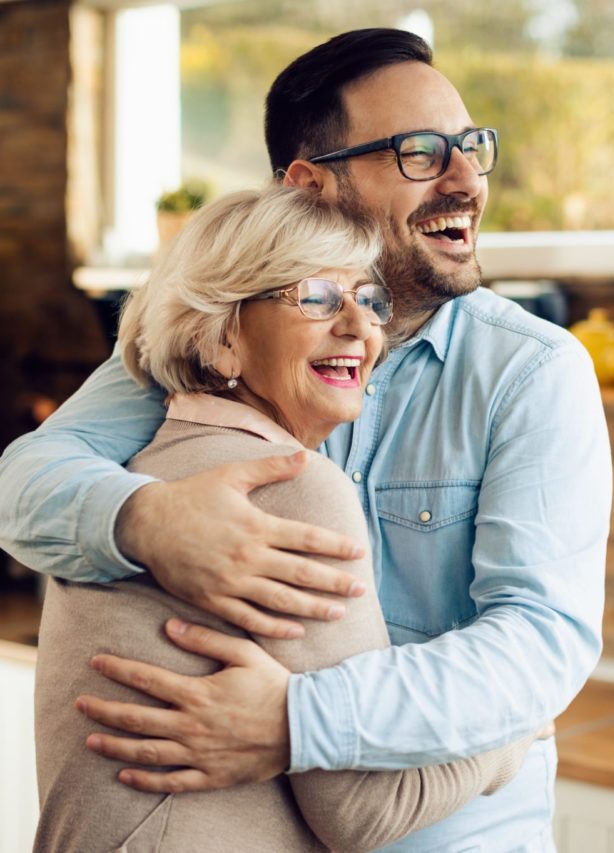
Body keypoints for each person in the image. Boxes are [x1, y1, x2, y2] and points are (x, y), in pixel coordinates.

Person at [1, 28, 610, 852]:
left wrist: (294, 721)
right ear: (310, 184)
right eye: (421, 153)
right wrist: (148, 522)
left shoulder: (532, 370)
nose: (466, 179)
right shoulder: (217, 336)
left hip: (450, 833)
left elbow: (540, 641)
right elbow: (25, 481)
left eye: (471, 148)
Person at [34, 184, 535, 853]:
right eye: (316, 297)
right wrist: (515, 730)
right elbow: (362, 813)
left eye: (368, 297)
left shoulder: (139, 472)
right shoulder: (292, 487)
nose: (361, 327)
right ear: (221, 340)